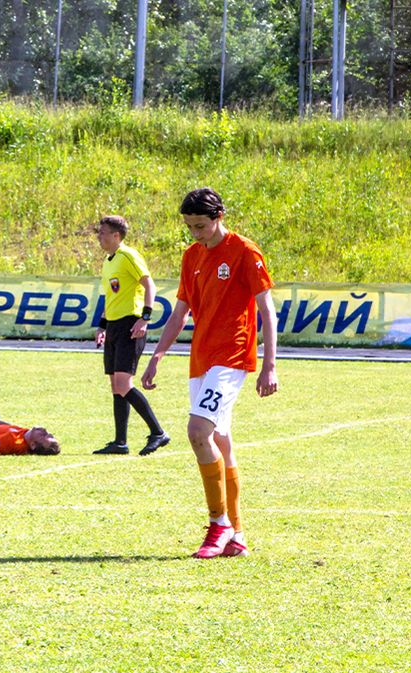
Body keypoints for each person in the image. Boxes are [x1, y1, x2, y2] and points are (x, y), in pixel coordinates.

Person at [140, 187, 279, 560]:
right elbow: (180, 311)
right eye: (189, 226)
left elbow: (267, 310)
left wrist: (269, 364)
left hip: (231, 357)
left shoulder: (244, 252)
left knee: (198, 432)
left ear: (219, 217)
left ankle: (218, 524)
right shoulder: (192, 255)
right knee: (221, 440)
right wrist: (157, 355)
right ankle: (237, 534)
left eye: (200, 225)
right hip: (200, 358)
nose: (195, 233)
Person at [92, 215, 169, 455]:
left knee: (124, 384)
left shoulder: (128, 255)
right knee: (116, 386)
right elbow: (111, 296)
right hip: (114, 326)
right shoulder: (108, 261)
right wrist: (102, 326)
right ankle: (120, 442)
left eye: (103, 232)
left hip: (130, 325)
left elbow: (149, 285)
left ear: (116, 235)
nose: (99, 237)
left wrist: (145, 318)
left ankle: (158, 432)